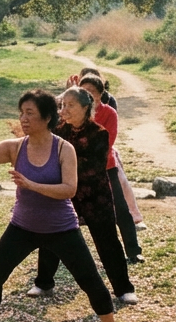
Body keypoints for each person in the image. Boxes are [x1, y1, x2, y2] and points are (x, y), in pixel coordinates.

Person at [0, 91, 131, 322]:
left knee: (91, 281)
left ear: (47, 117)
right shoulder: (16, 147)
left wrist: (31, 184)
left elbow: (69, 189)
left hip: (61, 229)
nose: (23, 119)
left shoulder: (64, 149)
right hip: (22, 227)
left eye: (30, 113)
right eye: (21, 112)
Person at [32, 87, 137, 304]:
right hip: (64, 194)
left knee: (108, 241)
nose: (65, 110)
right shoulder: (58, 132)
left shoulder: (99, 133)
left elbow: (93, 168)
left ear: (85, 107)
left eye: (70, 105)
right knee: (51, 237)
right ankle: (44, 283)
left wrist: (64, 167)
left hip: (95, 195)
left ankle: (123, 288)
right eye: (63, 105)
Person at [75, 75, 142, 262]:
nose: (88, 96)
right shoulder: (73, 112)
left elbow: (107, 142)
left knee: (120, 209)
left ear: (101, 94)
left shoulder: (109, 113)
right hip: (77, 170)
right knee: (68, 212)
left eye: (92, 92)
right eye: (83, 92)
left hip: (105, 168)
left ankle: (133, 250)